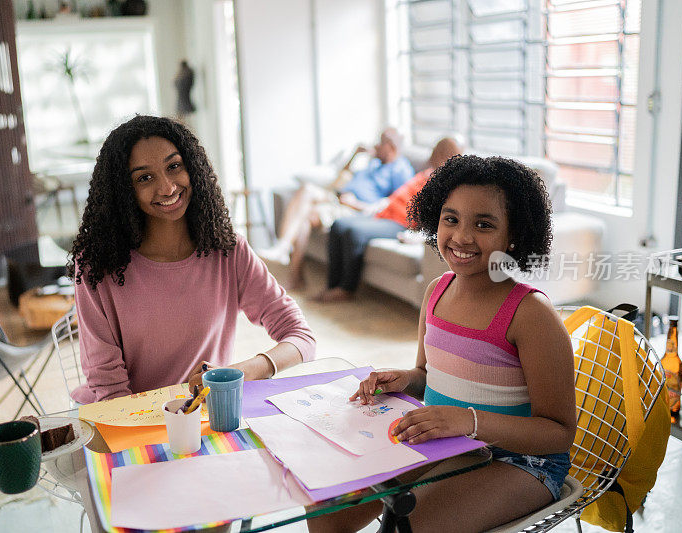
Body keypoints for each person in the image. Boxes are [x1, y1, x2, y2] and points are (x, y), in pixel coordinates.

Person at [308, 155, 576, 533]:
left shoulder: (531, 314)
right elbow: (425, 374)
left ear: (513, 234)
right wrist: (404, 379)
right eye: (451, 219)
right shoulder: (437, 292)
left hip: (520, 461)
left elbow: (559, 431)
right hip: (445, 437)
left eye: (483, 224)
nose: (462, 237)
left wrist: (469, 421)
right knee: (326, 515)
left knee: (405, 527)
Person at [68, 115, 315, 404]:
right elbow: (110, 392)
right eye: (144, 177)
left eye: (174, 166)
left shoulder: (228, 251)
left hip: (197, 412)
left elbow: (301, 337)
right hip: (123, 416)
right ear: (123, 190)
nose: (168, 187)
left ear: (193, 168)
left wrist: (244, 372)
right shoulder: (97, 266)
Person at [259, 128, 414, 290]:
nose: (375, 146)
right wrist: (355, 155)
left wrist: (356, 204)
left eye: (380, 143)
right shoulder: (374, 163)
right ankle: (284, 249)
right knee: (306, 190)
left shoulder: (400, 169)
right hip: (338, 197)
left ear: (390, 147)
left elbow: (391, 206)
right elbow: (341, 177)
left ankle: (291, 267)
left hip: (355, 209)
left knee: (306, 216)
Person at [315, 137, 462, 302]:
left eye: (444, 152)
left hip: (399, 223)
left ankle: (346, 289)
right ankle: (332, 285)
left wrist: (419, 236)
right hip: (385, 214)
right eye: (437, 150)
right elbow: (396, 196)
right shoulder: (426, 174)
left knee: (353, 233)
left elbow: (435, 217)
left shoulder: (447, 184)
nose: (436, 155)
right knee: (338, 225)